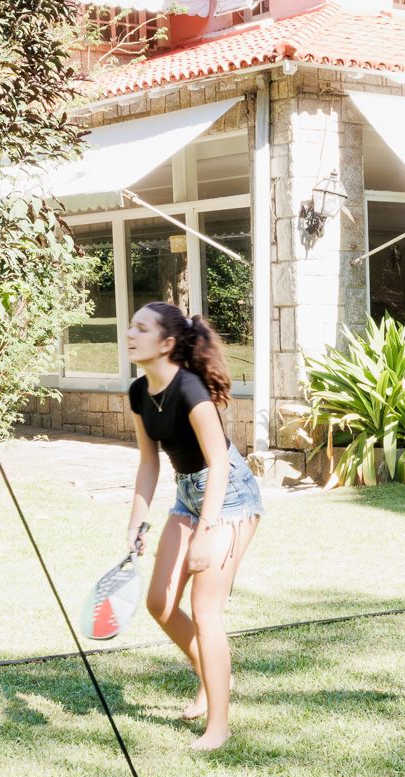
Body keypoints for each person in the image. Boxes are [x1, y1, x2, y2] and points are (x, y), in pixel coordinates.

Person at [125, 302, 263, 752]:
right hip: (188, 492)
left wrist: (206, 534)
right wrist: (135, 523)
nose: (130, 333)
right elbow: (149, 462)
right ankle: (209, 673)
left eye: (141, 328)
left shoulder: (190, 391)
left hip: (229, 495)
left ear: (166, 343)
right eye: (131, 326)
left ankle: (218, 725)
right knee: (160, 602)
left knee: (206, 611)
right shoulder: (139, 392)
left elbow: (220, 465)